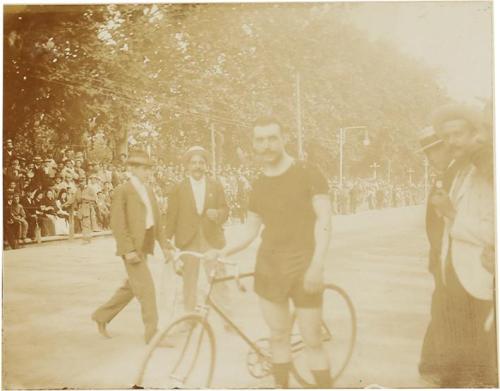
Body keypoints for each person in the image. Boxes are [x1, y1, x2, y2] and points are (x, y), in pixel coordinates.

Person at [205, 117, 332, 388]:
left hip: (304, 264)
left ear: (284, 137)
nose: (266, 145)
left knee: (312, 339)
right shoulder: (259, 185)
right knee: (278, 336)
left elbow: (324, 221)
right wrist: (222, 251)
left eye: (272, 138)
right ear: (254, 144)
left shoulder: (309, 172)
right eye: (260, 140)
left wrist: (318, 264)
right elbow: (251, 230)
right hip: (270, 266)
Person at [428, 104, 497, 387]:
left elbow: (492, 232)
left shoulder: (489, 172)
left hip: (479, 282)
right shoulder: (462, 171)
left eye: (458, 134)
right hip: (455, 279)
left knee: (480, 369)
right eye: (447, 136)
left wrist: (451, 212)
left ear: (475, 135)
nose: (452, 141)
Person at [91, 150, 170, 344]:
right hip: (132, 250)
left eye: (148, 169)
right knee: (147, 289)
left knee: (132, 287)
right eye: (142, 168)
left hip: (145, 246)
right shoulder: (123, 190)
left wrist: (165, 245)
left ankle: (101, 316)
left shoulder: (149, 190)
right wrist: (128, 250)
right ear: (132, 169)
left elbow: (157, 221)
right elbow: (117, 223)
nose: (147, 172)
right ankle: (152, 334)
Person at [165, 146, 231, 316]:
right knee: (189, 281)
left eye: (201, 162)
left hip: (211, 239)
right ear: (187, 166)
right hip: (188, 239)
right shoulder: (178, 188)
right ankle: (188, 316)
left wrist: (217, 214)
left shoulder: (215, 186)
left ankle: (226, 316)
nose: (197, 166)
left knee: (218, 277)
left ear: (206, 165)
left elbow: (225, 209)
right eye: (193, 163)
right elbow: (171, 216)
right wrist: (166, 240)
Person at [415, 126, 458, 384]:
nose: (430, 158)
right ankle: (433, 365)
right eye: (427, 153)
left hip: (452, 256)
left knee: (444, 308)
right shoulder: (446, 175)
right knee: (443, 307)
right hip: (442, 257)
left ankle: (433, 365)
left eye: (434, 151)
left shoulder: (455, 174)